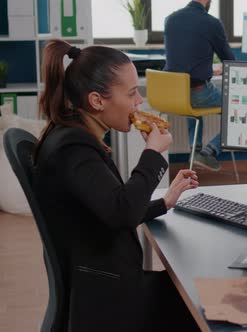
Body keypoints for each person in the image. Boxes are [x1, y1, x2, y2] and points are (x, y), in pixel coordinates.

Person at [33, 39, 201, 332]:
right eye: (133, 93)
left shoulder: (72, 133)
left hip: (101, 284)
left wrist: (165, 202)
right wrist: (152, 153)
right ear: (97, 100)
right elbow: (122, 212)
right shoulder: (74, 148)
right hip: (109, 297)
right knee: (197, 300)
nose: (139, 103)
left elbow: (109, 206)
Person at [164, 0, 235, 171]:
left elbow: (182, 59)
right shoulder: (211, 23)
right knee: (239, 111)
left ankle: (194, 150)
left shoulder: (170, 19)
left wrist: (205, 68)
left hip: (173, 93)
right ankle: (208, 152)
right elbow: (230, 60)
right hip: (197, 93)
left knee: (193, 105)